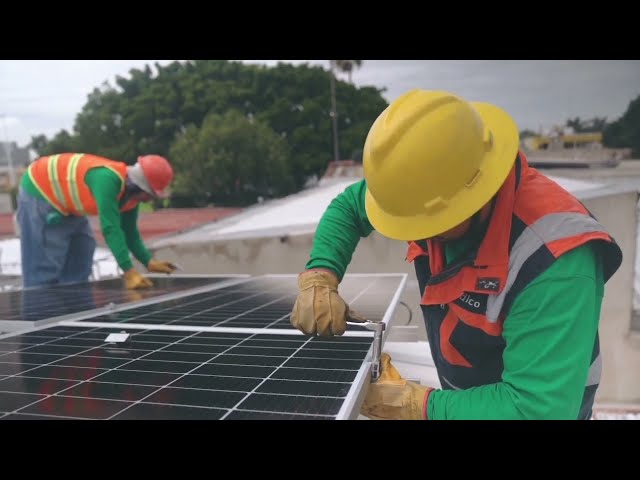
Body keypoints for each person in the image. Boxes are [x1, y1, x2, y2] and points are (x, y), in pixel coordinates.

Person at [290, 89, 623, 420]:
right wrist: (320, 276)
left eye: (426, 223)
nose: (413, 234)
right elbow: (349, 207)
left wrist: (414, 404)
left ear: (473, 196)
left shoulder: (554, 260)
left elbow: (537, 409)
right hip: (465, 403)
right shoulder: (430, 186)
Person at [16, 152, 178, 290]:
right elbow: (110, 229)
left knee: (82, 254)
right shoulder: (107, 180)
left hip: (67, 203)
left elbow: (130, 233)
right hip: (40, 191)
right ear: (140, 187)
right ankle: (42, 320)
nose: (149, 200)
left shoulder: (131, 197)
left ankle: (73, 321)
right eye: (150, 195)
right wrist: (128, 271)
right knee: (45, 270)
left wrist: (148, 261)